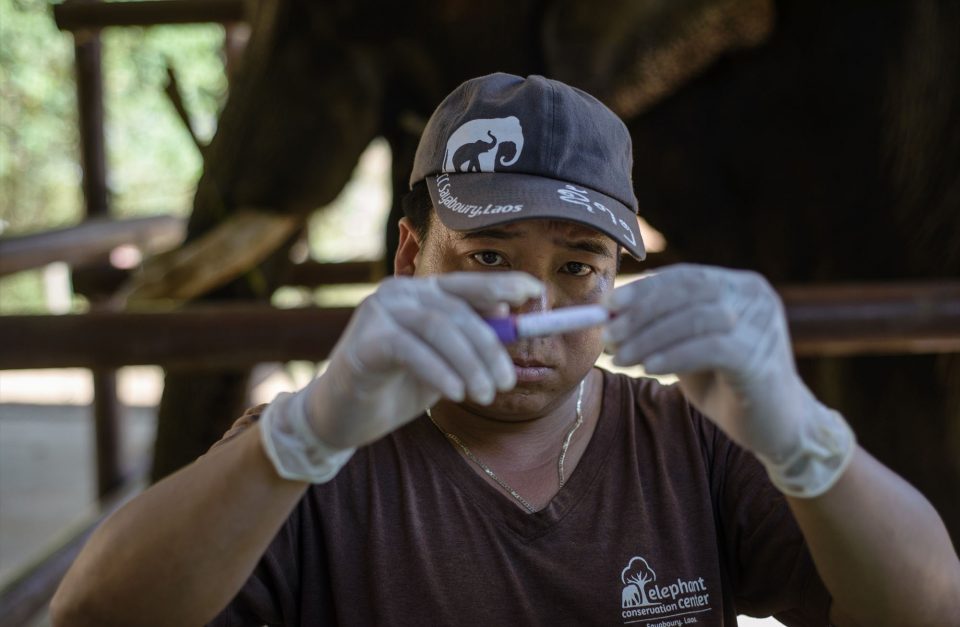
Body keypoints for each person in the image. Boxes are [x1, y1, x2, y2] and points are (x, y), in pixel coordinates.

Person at [52, 73, 959, 627]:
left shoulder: (692, 434)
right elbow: (94, 613)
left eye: (577, 265)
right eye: (489, 255)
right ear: (411, 258)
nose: (532, 303)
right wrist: (299, 436)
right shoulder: (322, 446)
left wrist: (805, 435)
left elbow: (928, 608)